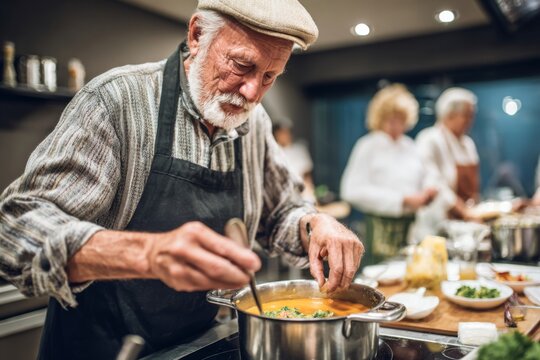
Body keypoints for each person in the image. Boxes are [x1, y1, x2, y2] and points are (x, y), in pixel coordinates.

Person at [0, 1, 364, 358]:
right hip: (103, 347)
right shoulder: (118, 100)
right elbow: (15, 226)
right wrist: (148, 254)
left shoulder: (254, 123)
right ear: (196, 35)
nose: (253, 92)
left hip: (195, 347)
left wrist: (315, 224)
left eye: (269, 77)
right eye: (241, 65)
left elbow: (281, 212)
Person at [340, 84, 437, 265]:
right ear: (380, 118)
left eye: (400, 120)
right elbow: (351, 190)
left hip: (411, 228)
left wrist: (429, 189)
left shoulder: (409, 145)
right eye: (391, 120)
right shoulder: (367, 145)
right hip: (380, 230)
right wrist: (402, 200)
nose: (396, 125)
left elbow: (427, 174)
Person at [415, 87, 480, 237]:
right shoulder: (429, 139)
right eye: (466, 115)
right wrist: (464, 211)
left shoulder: (468, 144)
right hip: (437, 227)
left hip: (466, 224)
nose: (470, 121)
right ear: (449, 115)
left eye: (471, 116)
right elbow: (434, 183)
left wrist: (473, 211)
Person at [272, 117, 316, 202]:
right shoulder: (273, 151)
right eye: (281, 132)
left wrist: (310, 193)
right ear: (276, 134)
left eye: (286, 132)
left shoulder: (300, 149)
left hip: (301, 193)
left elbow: (307, 175)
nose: (284, 135)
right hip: (281, 194)